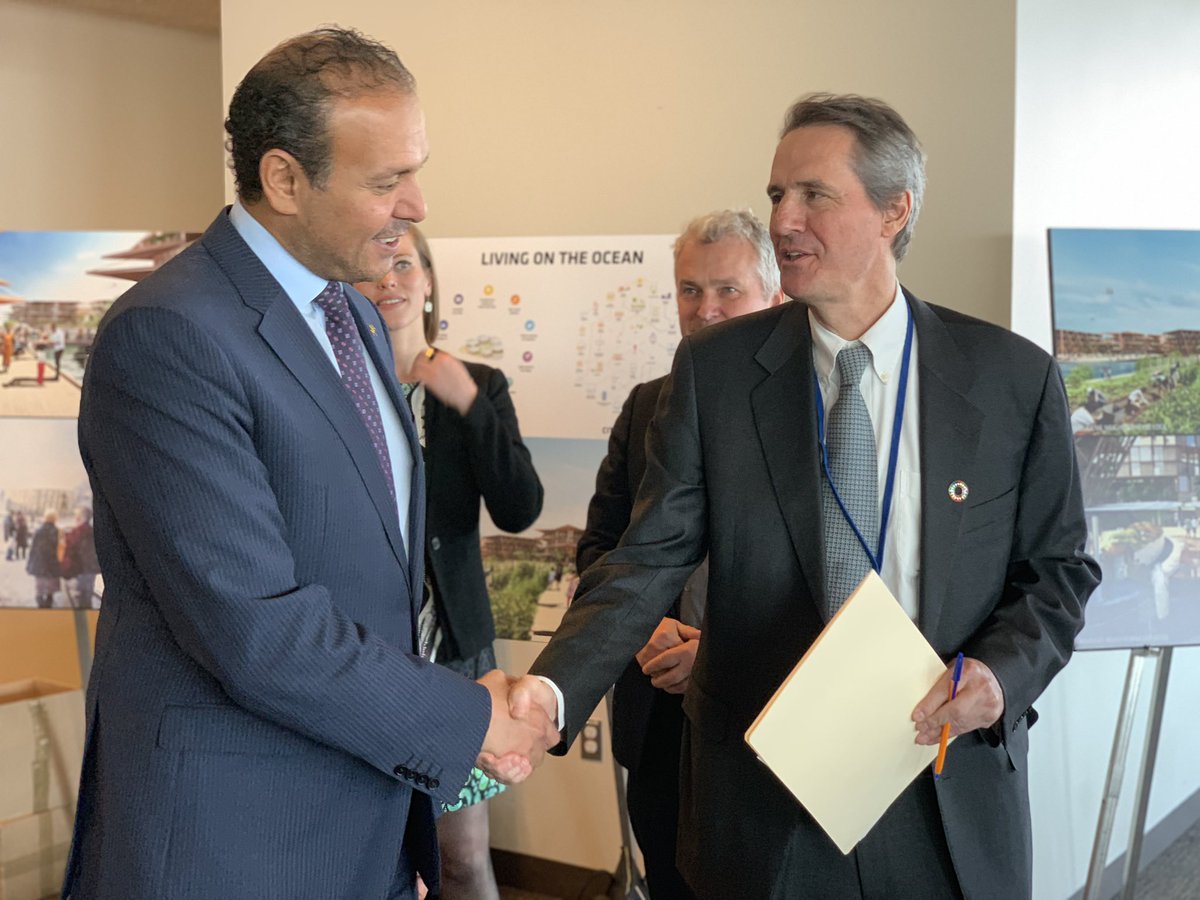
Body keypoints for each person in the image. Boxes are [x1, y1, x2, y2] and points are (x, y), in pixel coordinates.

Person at [504, 94, 1100, 898]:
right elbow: (645, 560)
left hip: (940, 780)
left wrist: (999, 676)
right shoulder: (715, 373)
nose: (784, 219)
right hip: (765, 800)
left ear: (894, 211)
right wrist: (547, 693)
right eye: (777, 194)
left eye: (814, 194)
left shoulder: (1011, 379)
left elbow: (1059, 571)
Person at [62, 27, 554, 900]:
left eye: (416, 171)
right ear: (285, 179)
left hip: (361, 811)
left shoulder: (352, 315)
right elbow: (255, 627)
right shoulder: (169, 334)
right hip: (235, 840)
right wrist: (468, 717)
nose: (417, 205)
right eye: (387, 181)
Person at [574, 209, 781, 899]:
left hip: (766, 718)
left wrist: (715, 654)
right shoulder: (644, 408)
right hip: (657, 713)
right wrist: (641, 626)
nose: (705, 308)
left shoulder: (819, 412)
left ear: (775, 296)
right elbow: (599, 547)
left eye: (727, 290)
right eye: (690, 289)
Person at [354, 225, 544, 900]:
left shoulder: (478, 386)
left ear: (429, 280)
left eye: (404, 264)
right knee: (373, 852)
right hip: (366, 651)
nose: (390, 281)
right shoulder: (336, 392)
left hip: (455, 653)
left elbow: (520, 508)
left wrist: (467, 404)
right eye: (374, 267)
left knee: (461, 856)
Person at [60, 505, 101, 609]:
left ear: (79, 517)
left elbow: (68, 555)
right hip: (90, 574)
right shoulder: (96, 533)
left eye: (76, 516)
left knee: (76, 605)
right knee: (87, 601)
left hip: (76, 575)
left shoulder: (75, 533)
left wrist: (64, 572)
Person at [26, 508, 61, 608]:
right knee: (51, 585)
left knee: (40, 585)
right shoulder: (57, 531)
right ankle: (49, 601)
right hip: (52, 562)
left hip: (39, 562)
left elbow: (33, 548)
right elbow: (60, 548)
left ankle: (40, 603)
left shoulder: (39, 531)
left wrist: (30, 563)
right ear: (55, 518)